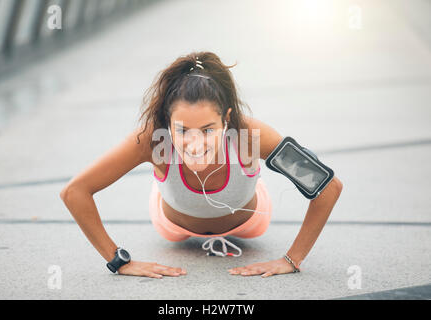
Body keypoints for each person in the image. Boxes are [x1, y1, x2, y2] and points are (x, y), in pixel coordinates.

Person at [60, 51, 343, 279]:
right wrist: (118, 261)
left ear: (226, 119)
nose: (195, 143)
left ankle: (249, 175)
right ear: (167, 123)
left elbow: (328, 186)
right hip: (171, 223)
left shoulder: (249, 136)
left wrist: (292, 259)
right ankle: (164, 182)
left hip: (250, 222)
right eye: (182, 131)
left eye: (208, 129)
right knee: (166, 179)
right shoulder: (152, 139)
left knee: (246, 176)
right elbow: (75, 191)